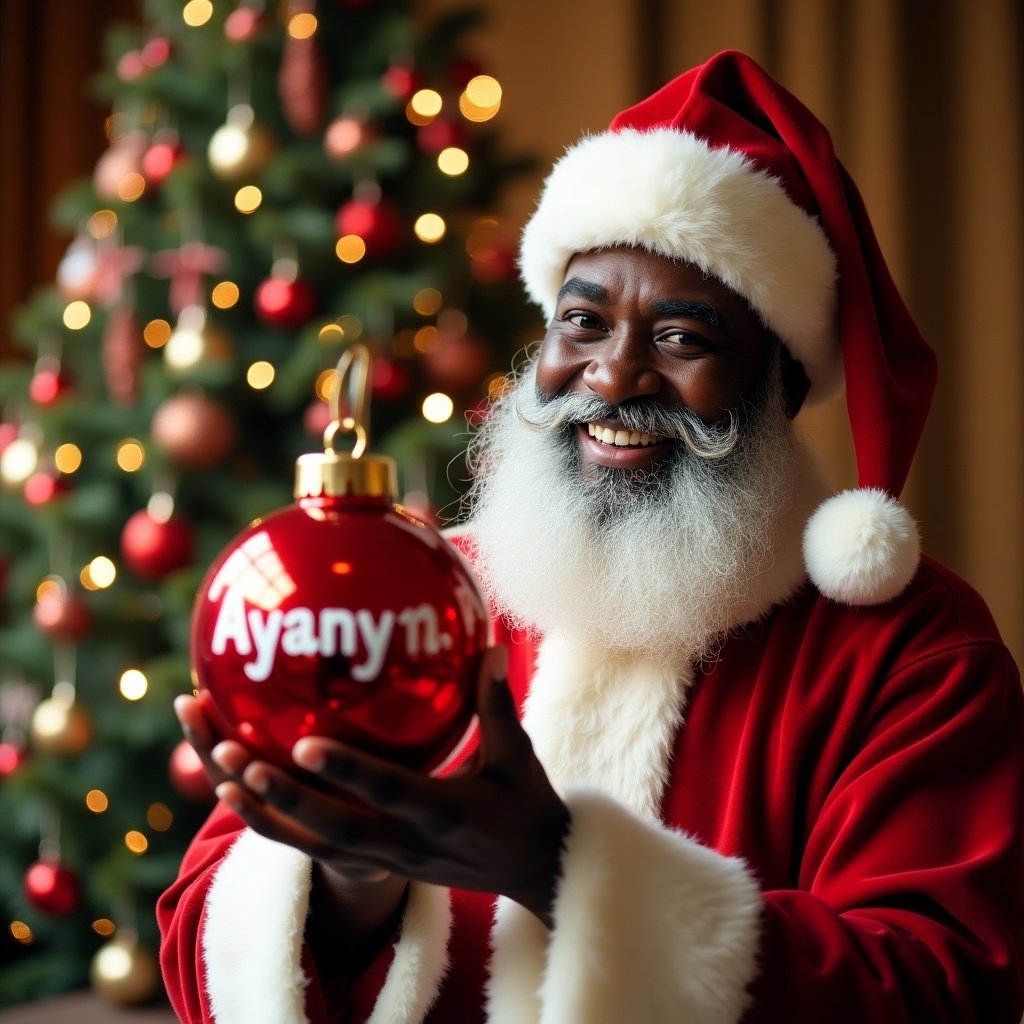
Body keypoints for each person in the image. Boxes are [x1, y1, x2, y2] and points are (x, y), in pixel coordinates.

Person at [158, 50, 1024, 1022]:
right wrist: (349, 880)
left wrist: (561, 867)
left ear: (777, 384)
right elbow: (205, 940)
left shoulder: (912, 650)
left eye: (681, 338)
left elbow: (943, 989)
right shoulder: (422, 597)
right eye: (584, 322)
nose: (613, 379)